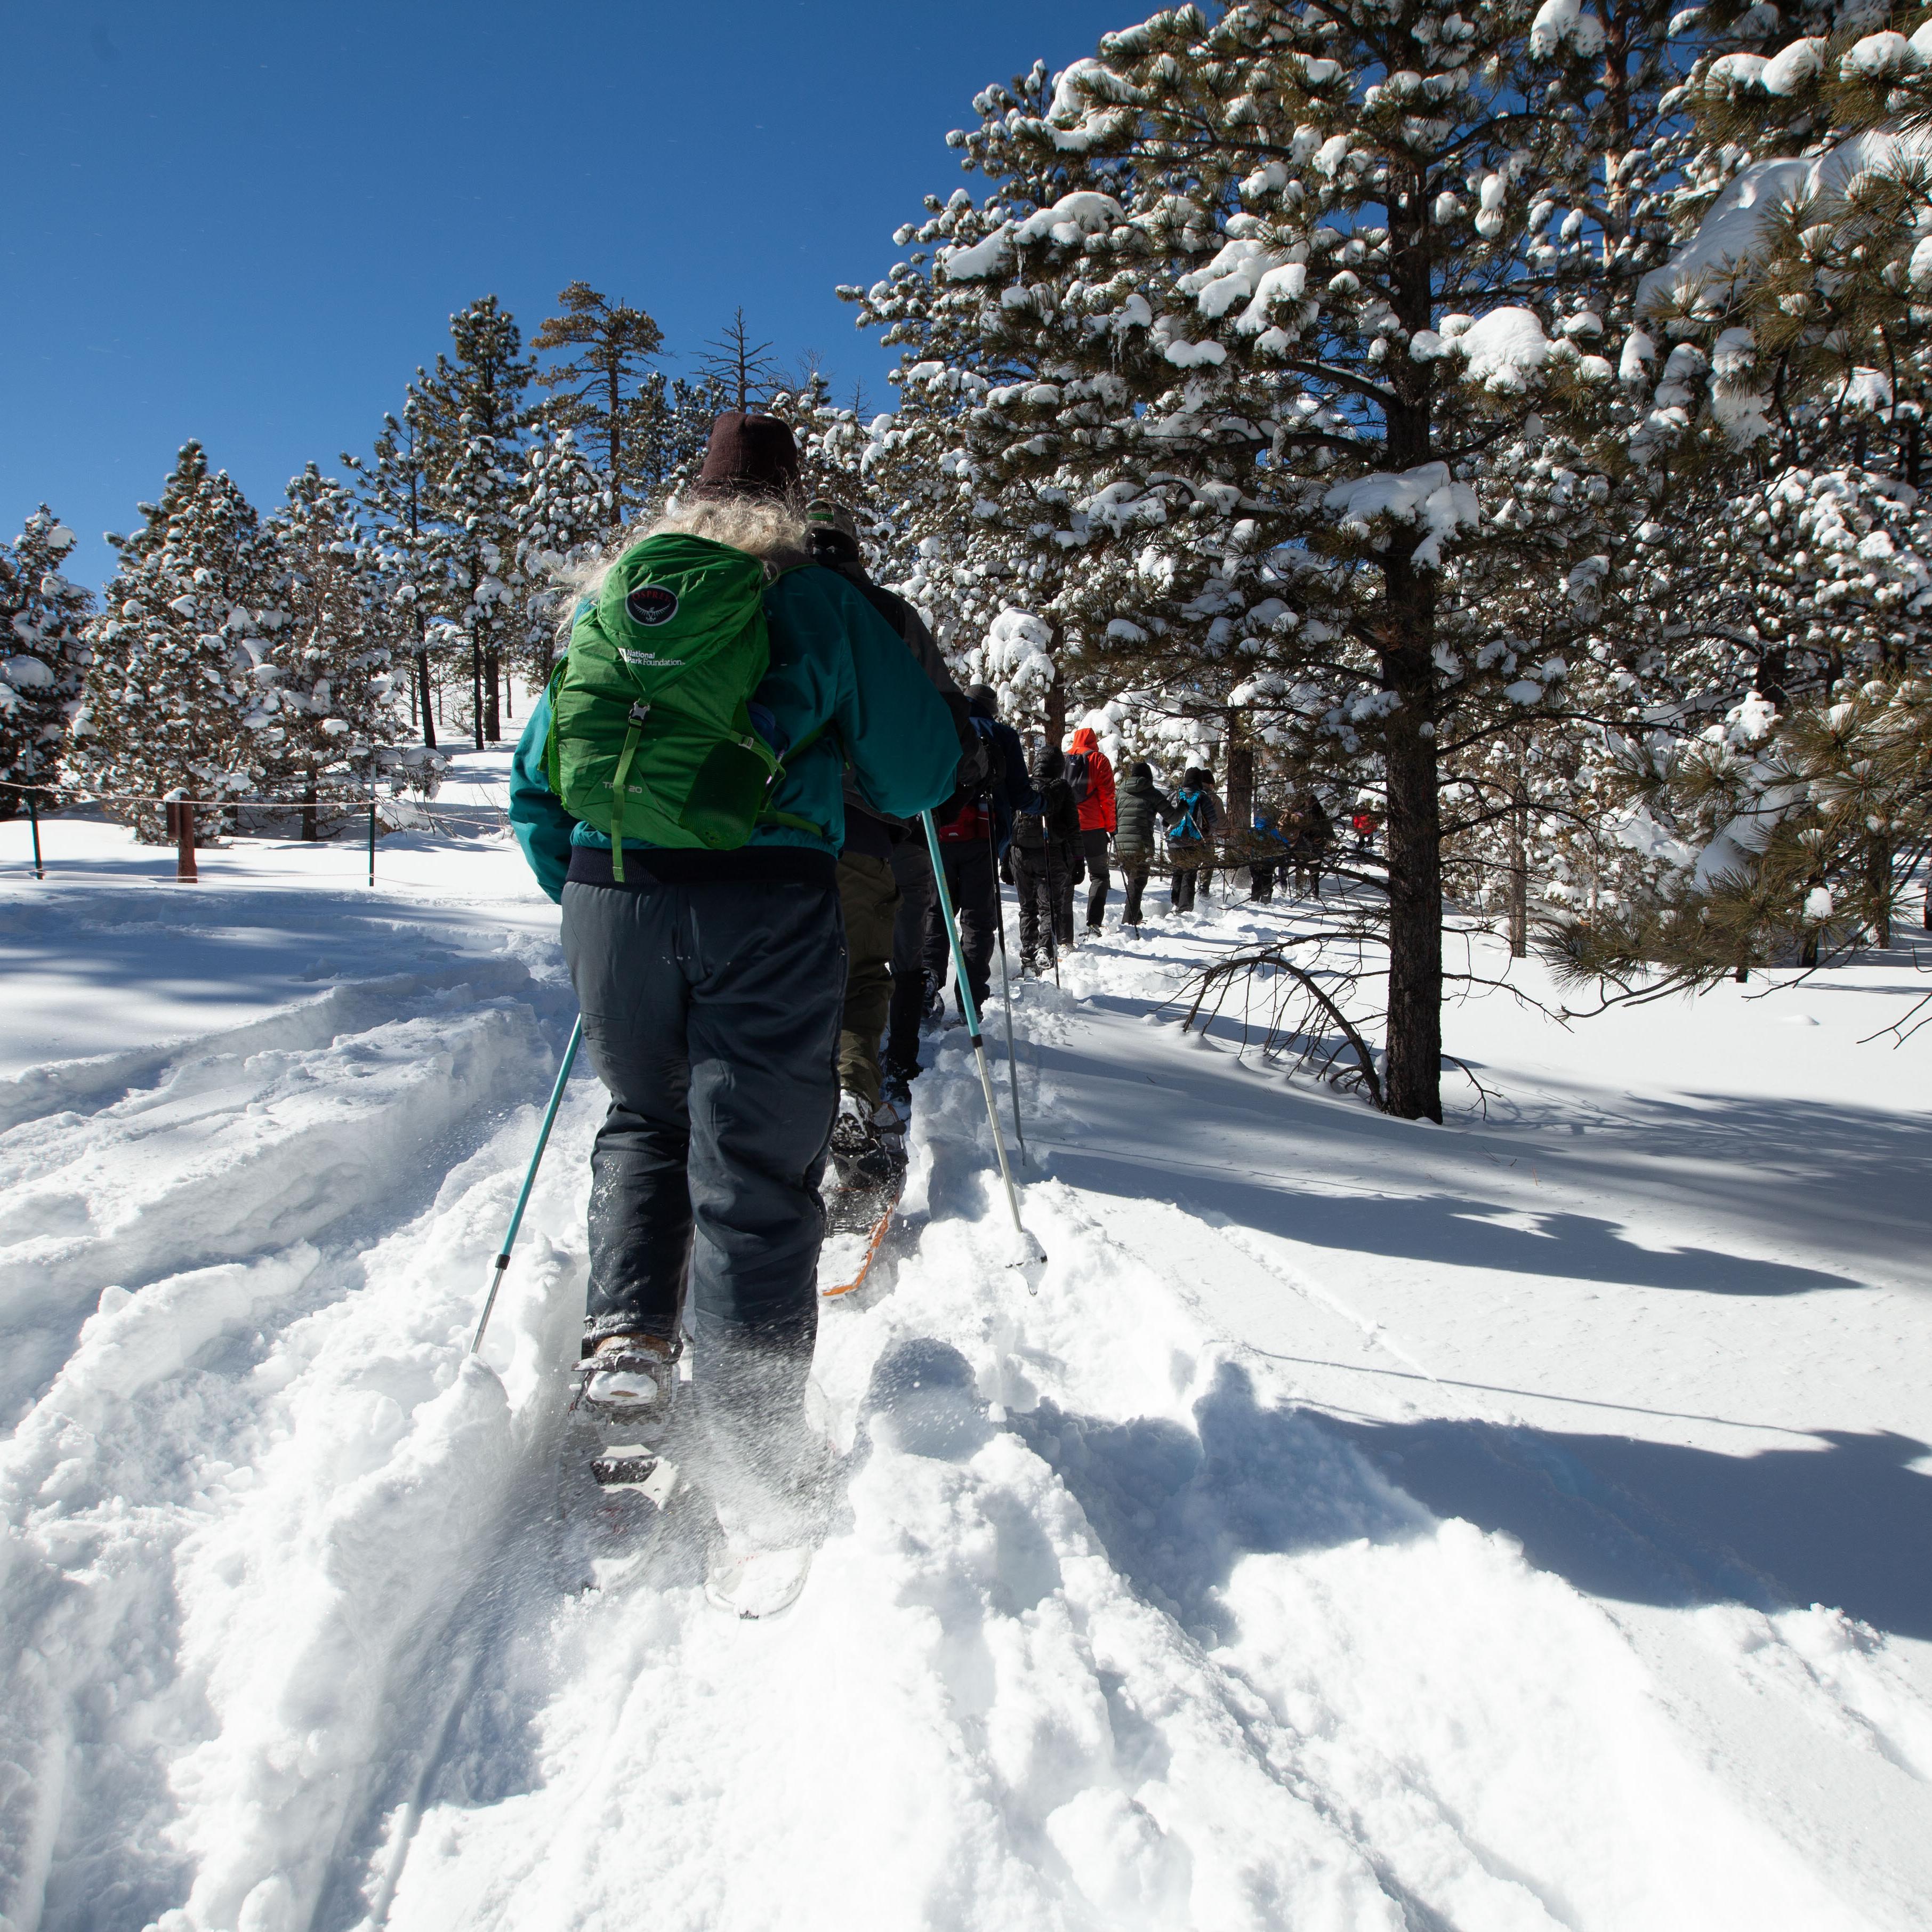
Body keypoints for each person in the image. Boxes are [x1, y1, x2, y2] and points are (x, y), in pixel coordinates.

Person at [506, 413, 961, 1559]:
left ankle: (629, 1343)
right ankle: (754, 1445)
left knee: (646, 1116)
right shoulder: (813, 599)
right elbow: (919, 773)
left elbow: (538, 780)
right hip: (766, 899)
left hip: (612, 899)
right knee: (757, 1163)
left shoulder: (619, 594)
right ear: (790, 502)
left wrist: (592, 892)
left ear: (691, 498)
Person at [800, 498, 980, 1198]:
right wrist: (944, 795)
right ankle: (854, 1092)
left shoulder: (767, 595)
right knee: (864, 973)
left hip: (770, 833)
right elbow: (947, 719)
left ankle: (776, 1119)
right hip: (870, 827)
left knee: (778, 984)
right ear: (853, 546)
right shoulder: (891, 615)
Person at [1012, 744, 1082, 970]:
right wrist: (1079, 860)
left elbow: (1009, 823)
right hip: (1051, 853)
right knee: (1050, 905)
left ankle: (1028, 948)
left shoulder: (1024, 786)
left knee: (1027, 906)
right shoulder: (1061, 787)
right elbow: (1073, 827)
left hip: (1020, 854)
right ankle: (1045, 948)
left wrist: (1005, 859)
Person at [1064, 724, 1117, 933]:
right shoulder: (1099, 760)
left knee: (1067, 877)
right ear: (1093, 742)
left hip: (1068, 828)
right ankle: (1094, 924)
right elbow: (1108, 797)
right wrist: (1111, 827)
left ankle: (1065, 933)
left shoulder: (1064, 759)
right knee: (1100, 876)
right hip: (1094, 827)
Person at [1113, 760, 1170, 931]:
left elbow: (1112, 814)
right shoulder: (1152, 792)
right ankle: (1128, 925)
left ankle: (1135, 917)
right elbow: (1173, 817)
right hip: (1141, 846)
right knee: (1137, 884)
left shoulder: (1121, 791)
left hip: (1121, 846)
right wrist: (1183, 807)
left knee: (1133, 883)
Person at [1165, 767, 1220, 913]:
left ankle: (1176, 902)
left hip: (1174, 840)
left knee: (1178, 870)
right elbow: (1214, 821)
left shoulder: (1175, 795)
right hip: (1194, 840)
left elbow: (1164, 816)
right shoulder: (1202, 797)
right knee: (1189, 874)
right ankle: (1185, 908)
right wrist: (1207, 833)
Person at [1292, 792, 1334, 897]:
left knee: (1300, 871)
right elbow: (1331, 834)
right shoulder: (1321, 815)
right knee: (1315, 874)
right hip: (1317, 849)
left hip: (1301, 849)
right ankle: (1315, 893)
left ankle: (1299, 892)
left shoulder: (1299, 814)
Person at [1248, 804, 1289, 902]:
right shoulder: (1273, 831)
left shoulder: (1252, 830)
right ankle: (1266, 900)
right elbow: (1286, 842)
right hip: (1268, 861)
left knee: (1256, 882)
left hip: (1254, 860)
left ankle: (1254, 899)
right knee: (1267, 881)